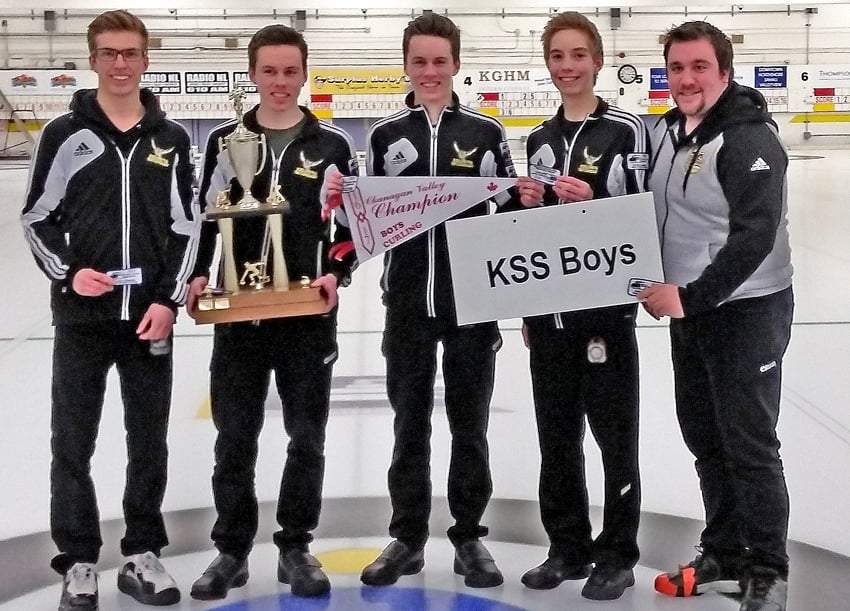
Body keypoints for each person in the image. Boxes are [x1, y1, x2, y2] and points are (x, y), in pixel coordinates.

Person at [326, 13, 521, 589]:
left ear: (456, 64)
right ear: (406, 66)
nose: (430, 71)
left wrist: (524, 198)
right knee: (409, 425)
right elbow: (365, 222)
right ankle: (407, 537)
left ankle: (468, 538)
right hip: (407, 305)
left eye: (440, 61)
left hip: (470, 306)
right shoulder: (387, 137)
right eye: (420, 61)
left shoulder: (486, 134)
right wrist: (339, 205)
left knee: (470, 425)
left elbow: (509, 214)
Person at [20, 9, 197, 611]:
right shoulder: (63, 135)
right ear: (92, 59)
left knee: (148, 441)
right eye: (108, 53)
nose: (120, 64)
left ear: (146, 60)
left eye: (131, 53)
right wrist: (71, 273)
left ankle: (141, 554)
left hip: (149, 317)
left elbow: (187, 229)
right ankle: (78, 562)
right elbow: (37, 218)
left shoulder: (170, 139)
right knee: (73, 442)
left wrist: (170, 301)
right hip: (83, 320)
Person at [186, 24, 358, 600]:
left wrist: (337, 272)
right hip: (239, 319)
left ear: (304, 74)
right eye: (269, 71)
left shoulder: (332, 146)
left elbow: (351, 230)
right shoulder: (223, 142)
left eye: (290, 71)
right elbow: (204, 222)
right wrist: (198, 274)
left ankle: (295, 546)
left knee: (305, 437)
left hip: (307, 319)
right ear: (254, 75)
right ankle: (231, 550)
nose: (280, 83)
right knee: (234, 436)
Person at [640, 21, 793, 611]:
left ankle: (767, 569)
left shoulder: (749, 140)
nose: (686, 79)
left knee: (750, 442)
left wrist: (691, 297)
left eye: (699, 67)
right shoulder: (672, 133)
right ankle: (724, 549)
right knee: (705, 435)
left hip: (747, 309)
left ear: (723, 71)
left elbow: (754, 235)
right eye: (677, 68)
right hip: (693, 311)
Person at [510, 11, 648, 601]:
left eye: (577, 56)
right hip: (549, 318)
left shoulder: (625, 130)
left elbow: (645, 213)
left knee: (616, 440)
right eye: (557, 57)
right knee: (556, 437)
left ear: (596, 60)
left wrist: (597, 196)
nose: (567, 67)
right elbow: (529, 237)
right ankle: (567, 547)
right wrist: (525, 204)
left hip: (605, 318)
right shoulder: (539, 139)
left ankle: (616, 554)